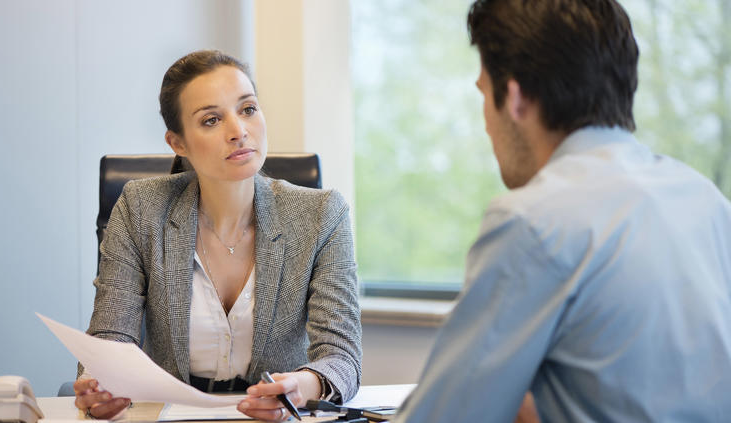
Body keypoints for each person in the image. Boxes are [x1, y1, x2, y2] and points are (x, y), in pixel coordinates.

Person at [394, 0, 731, 422]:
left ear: (514, 98)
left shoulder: (533, 221)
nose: (485, 123)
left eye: (483, 93)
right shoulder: (706, 201)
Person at [72, 50, 362, 421]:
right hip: (172, 415)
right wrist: (100, 385)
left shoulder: (322, 214)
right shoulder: (141, 208)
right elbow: (109, 338)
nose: (238, 131)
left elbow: (342, 356)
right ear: (178, 143)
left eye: (248, 109)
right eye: (211, 120)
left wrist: (302, 388)